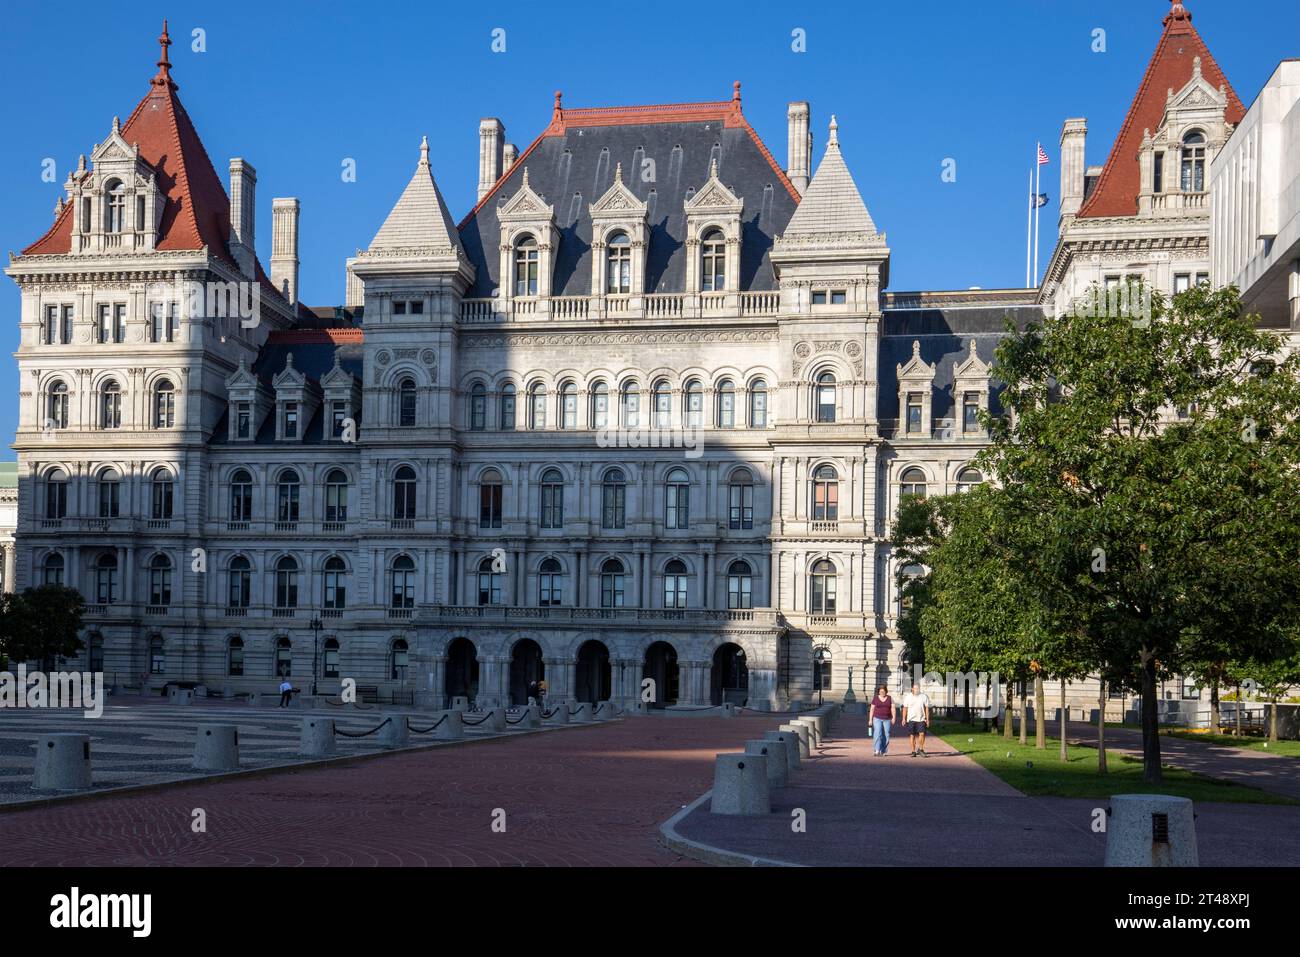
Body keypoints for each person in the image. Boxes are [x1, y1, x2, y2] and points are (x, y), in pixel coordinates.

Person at [902, 681, 930, 757]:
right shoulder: (908, 697)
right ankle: (913, 751)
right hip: (911, 719)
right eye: (915, 688)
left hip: (921, 719)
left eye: (918, 688)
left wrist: (927, 719)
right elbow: (905, 708)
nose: (916, 689)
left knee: (922, 734)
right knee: (912, 735)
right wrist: (903, 719)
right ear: (912, 689)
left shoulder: (924, 696)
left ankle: (921, 749)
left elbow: (926, 708)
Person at [870, 684, 894, 756]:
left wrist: (894, 717)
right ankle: (877, 750)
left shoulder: (890, 698)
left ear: (886, 691)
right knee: (878, 733)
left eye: (883, 691)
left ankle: (883, 750)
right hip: (877, 718)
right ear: (878, 692)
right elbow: (872, 709)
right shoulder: (875, 698)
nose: (882, 693)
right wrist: (870, 720)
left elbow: (893, 708)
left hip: (887, 719)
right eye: (880, 692)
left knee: (886, 734)